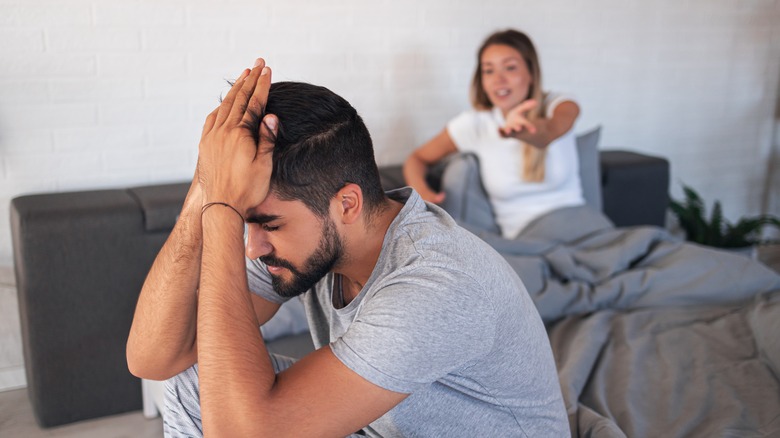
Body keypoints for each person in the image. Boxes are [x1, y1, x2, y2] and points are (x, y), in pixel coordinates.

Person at [126, 58, 568, 437]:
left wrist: (221, 212)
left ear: (347, 204)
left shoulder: (435, 284)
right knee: (192, 379)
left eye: (268, 224)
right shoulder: (308, 239)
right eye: (247, 223)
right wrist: (206, 189)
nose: (252, 248)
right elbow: (151, 357)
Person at [404, 29, 584, 240]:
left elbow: (550, 131)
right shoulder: (474, 124)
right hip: (526, 243)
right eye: (488, 71)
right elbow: (416, 159)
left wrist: (525, 132)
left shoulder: (560, 104)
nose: (498, 79)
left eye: (510, 67)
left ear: (531, 74)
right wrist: (423, 193)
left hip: (581, 225)